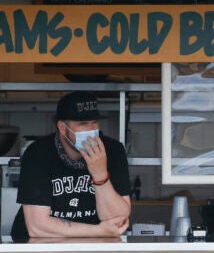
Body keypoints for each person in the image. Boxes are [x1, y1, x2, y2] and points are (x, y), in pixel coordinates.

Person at [11, 91, 131, 240]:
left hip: (97, 246)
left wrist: (100, 174)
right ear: (62, 128)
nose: (91, 129)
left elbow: (118, 220)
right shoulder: (38, 153)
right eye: (83, 124)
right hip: (43, 247)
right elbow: (37, 227)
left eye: (94, 122)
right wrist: (98, 230)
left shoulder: (113, 150)